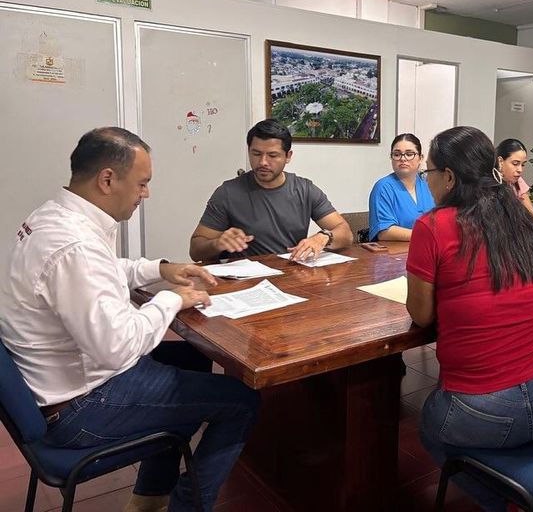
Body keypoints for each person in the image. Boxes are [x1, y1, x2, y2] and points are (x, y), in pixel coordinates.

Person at [0, 127, 260, 512]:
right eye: (142, 183)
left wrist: (163, 269)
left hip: (56, 384)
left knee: (190, 362)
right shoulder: (76, 246)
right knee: (242, 400)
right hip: (81, 408)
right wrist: (171, 299)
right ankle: (186, 506)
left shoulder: (56, 217)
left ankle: (148, 500)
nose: (146, 194)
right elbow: (117, 348)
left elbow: (104, 271)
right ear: (108, 179)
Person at [406, 126, 533, 512]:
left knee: (429, 426)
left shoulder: (432, 227)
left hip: (483, 412)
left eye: (428, 172)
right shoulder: (519, 216)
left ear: (448, 176)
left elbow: (421, 315)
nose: (427, 181)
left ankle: (502, 501)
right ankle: (523, 492)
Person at [189, 119, 352, 262]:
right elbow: (196, 251)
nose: (263, 162)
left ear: (288, 156)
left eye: (272, 155)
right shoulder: (227, 193)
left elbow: (345, 233)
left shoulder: (304, 190)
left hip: (292, 275)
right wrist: (217, 243)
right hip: (246, 283)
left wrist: (323, 237)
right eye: (256, 154)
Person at [367, 133, 435, 241]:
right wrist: (426, 236)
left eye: (409, 154)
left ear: (420, 158)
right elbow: (384, 232)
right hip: (395, 254)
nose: (403, 159)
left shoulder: (429, 183)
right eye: (397, 154)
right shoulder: (383, 188)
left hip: (431, 249)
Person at [495, 138, 533, 225]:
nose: (520, 170)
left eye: (522, 165)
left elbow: (524, 198)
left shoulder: (517, 180)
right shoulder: (489, 183)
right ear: (500, 161)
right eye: (515, 163)